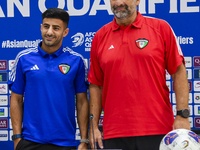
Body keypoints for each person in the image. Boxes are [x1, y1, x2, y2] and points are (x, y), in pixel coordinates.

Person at [88, 0, 190, 150]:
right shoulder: (99, 36)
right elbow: (96, 85)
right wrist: (93, 126)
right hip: (114, 133)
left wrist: (182, 115)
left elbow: (179, 72)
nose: (118, 2)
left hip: (158, 129)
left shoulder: (161, 28)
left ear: (137, 1)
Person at [9, 8, 89, 150]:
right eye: (46, 26)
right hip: (29, 141)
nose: (49, 32)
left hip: (65, 142)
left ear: (65, 32)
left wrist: (84, 140)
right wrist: (17, 138)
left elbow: (82, 102)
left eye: (56, 28)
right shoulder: (23, 58)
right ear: (41, 27)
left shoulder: (76, 61)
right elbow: (16, 99)